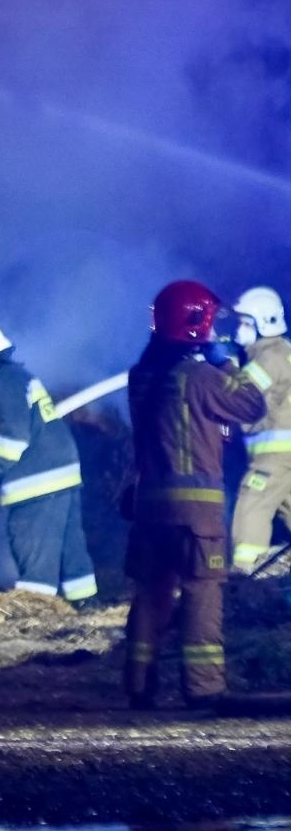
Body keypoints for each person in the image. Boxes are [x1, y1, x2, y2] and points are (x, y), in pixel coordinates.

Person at [125, 281, 268, 710]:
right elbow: (252, 405)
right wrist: (225, 363)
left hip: (150, 508)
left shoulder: (140, 376)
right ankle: (203, 688)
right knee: (202, 594)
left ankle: (138, 685)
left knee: (151, 595)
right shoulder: (201, 377)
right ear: (197, 324)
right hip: (196, 513)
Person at [0, 318, 97, 606]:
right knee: (70, 551)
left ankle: (36, 612)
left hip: (38, 480)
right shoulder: (16, 377)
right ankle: (85, 606)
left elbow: (14, 437)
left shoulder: (4, 381)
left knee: (32, 548)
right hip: (60, 473)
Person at [229, 286, 291, 575]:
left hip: (273, 456)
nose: (239, 330)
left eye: (245, 323)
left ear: (263, 323)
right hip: (284, 456)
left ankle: (245, 572)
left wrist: (221, 367)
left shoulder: (268, 358)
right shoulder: (281, 352)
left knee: (252, 504)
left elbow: (240, 395)